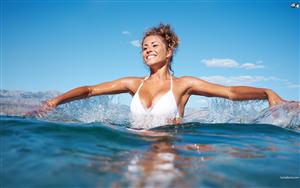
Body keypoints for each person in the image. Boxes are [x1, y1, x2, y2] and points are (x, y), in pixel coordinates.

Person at [33, 23, 289, 129]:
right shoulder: (133, 84)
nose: (148, 50)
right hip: (133, 149)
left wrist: (267, 92)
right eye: (144, 47)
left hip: (170, 153)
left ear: (169, 50)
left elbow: (230, 92)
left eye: (154, 46)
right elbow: (89, 90)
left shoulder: (182, 85)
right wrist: (53, 102)